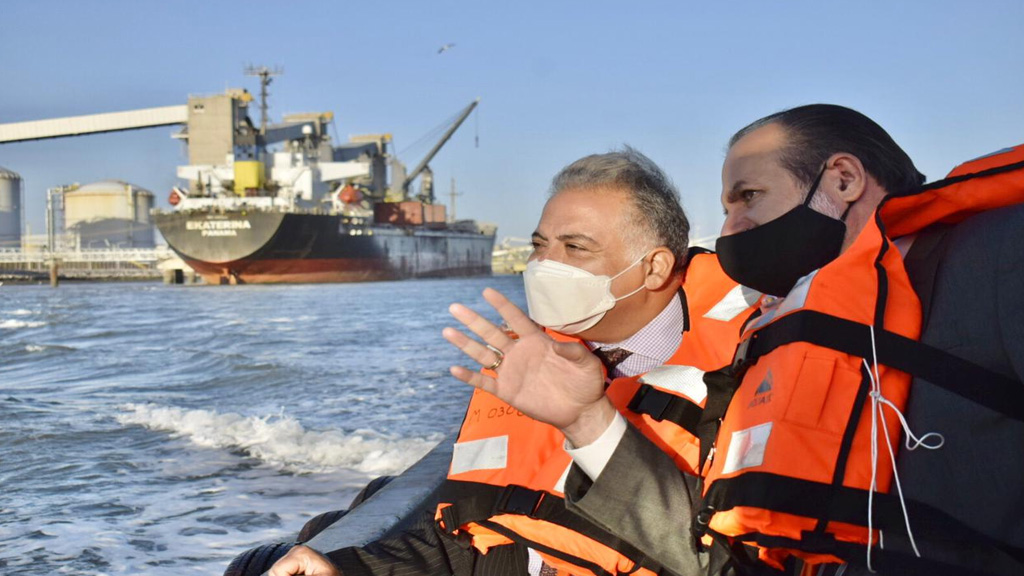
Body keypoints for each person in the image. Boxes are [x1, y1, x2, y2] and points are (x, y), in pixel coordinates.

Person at [443, 105, 1024, 576]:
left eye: (748, 197)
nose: (729, 230)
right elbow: (722, 556)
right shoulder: (778, 331)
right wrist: (584, 417)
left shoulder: (998, 256)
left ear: (842, 180)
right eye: (726, 207)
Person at [270, 148, 758, 576]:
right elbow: (474, 538)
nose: (545, 265)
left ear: (653, 268)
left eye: (574, 247)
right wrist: (348, 567)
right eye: (539, 245)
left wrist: (588, 421)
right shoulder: (524, 362)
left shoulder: (749, 373)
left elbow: (721, 561)